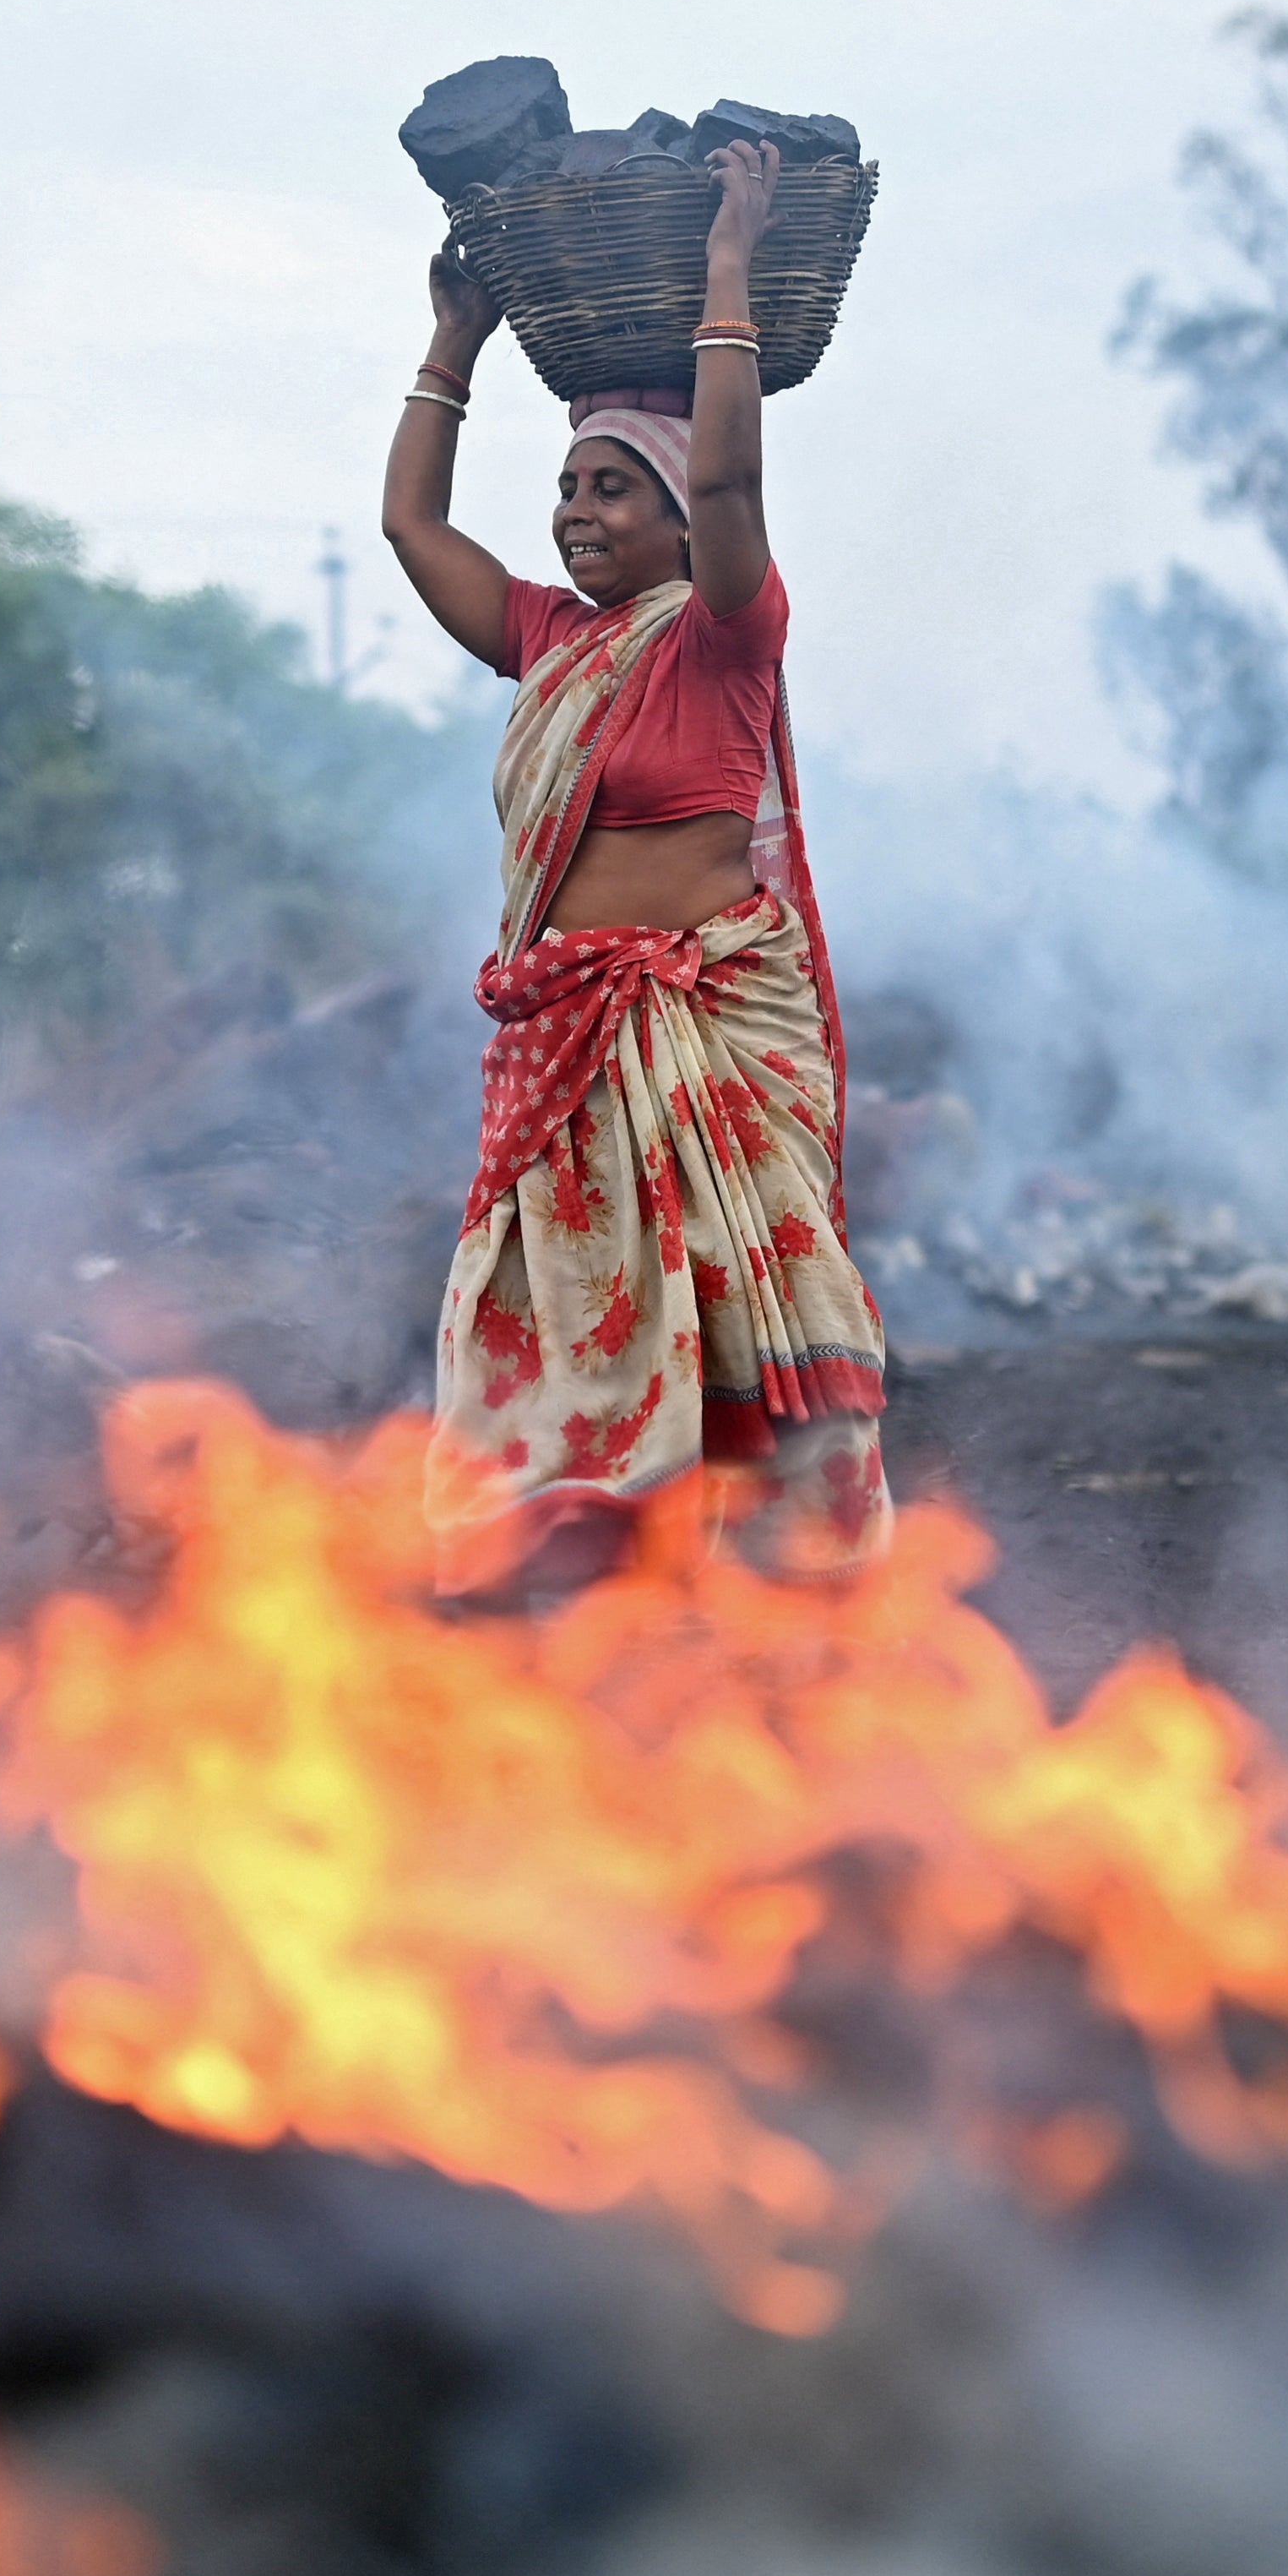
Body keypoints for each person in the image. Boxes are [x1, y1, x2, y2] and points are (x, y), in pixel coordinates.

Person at [381, 139, 890, 1595]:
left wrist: (727, 269)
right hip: (570, 1034)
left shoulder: (725, 631)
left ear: (680, 522)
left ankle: (767, 1586)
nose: (576, 512)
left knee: (744, 1316)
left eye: (614, 489)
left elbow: (731, 470)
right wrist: (450, 343)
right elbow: (410, 527)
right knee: (560, 1308)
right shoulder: (549, 640)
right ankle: (572, 1566)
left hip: (710, 1024)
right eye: (567, 488)